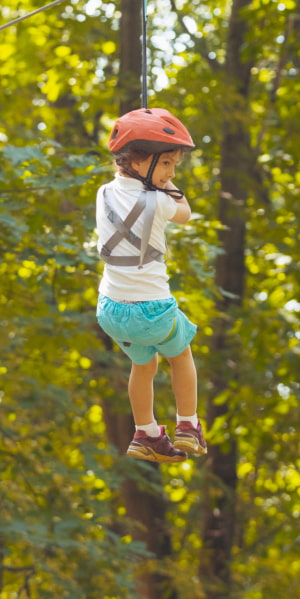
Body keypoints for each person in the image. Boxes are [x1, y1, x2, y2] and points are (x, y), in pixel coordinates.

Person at [96, 107, 207, 463]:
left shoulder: (103, 194)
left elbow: (127, 183)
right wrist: (165, 185)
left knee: (143, 367)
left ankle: (144, 432)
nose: (171, 174)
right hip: (153, 310)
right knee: (181, 354)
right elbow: (185, 212)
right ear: (140, 162)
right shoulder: (160, 201)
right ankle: (188, 425)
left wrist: (153, 174)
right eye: (166, 164)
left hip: (111, 312)